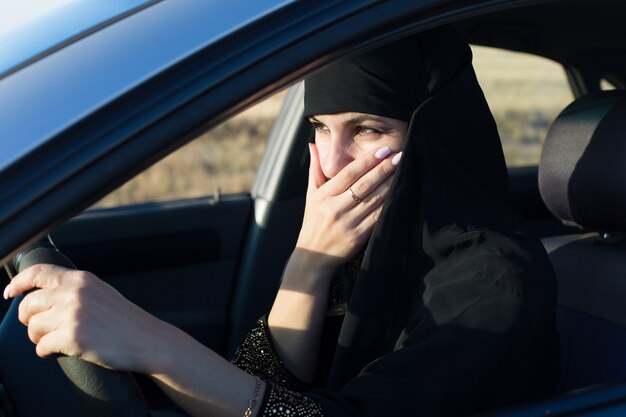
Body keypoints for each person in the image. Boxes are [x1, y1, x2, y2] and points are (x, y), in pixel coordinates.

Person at [3, 27, 559, 417]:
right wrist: (310, 262)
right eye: (319, 127)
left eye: (368, 128)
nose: (332, 160)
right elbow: (262, 384)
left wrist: (145, 338)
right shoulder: (369, 244)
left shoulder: (496, 283)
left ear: (432, 136)